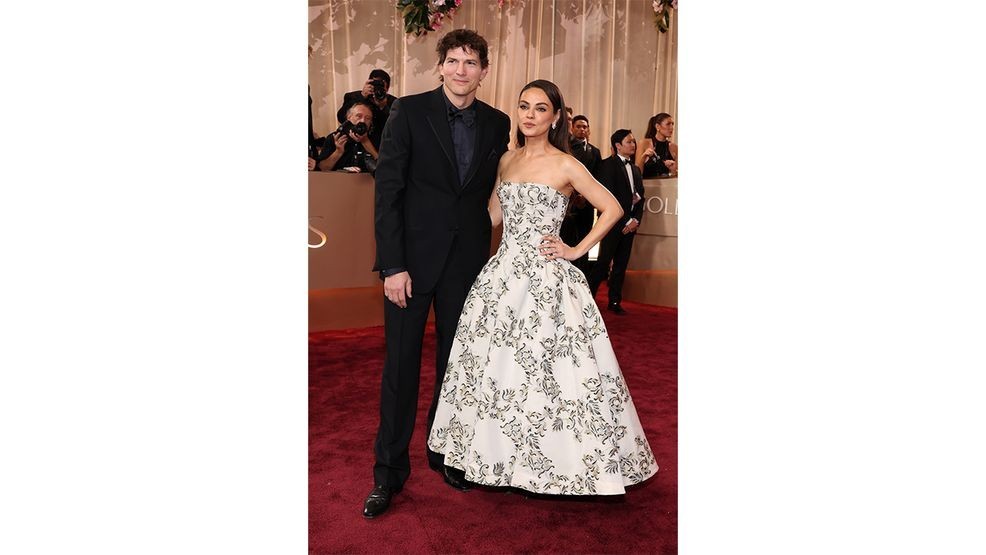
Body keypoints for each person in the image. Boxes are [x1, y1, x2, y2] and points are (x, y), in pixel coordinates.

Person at [427, 79, 658, 496]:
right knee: (497, 369)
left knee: (547, 370)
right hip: (501, 278)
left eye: (539, 109)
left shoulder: (566, 164)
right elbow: (493, 217)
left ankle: (551, 463)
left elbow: (612, 208)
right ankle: (496, 456)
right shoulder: (506, 160)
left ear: (554, 118)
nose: (529, 115)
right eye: (524, 106)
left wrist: (576, 250)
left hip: (546, 280)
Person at [364, 29, 511, 519]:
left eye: (471, 62)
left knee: (456, 368)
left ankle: (446, 453)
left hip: (466, 266)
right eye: (453, 60)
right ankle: (388, 474)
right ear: (440, 65)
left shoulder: (498, 123)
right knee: (400, 369)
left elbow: (495, 191)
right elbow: (388, 191)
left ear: (484, 71)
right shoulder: (409, 111)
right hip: (409, 265)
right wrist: (393, 265)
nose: (461, 70)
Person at [586, 129, 645, 315]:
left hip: (630, 225)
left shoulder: (635, 169)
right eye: (629, 142)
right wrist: (625, 220)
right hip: (612, 224)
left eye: (634, 141)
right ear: (618, 145)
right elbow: (606, 197)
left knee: (621, 264)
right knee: (602, 263)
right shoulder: (606, 166)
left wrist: (635, 220)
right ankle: (588, 300)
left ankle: (614, 301)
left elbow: (641, 197)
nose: (633, 145)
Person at [560, 114, 602, 276]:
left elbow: (597, 178)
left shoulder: (595, 152)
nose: (582, 129)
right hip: (567, 203)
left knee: (585, 238)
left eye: (585, 127)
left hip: (587, 203)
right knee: (566, 238)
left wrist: (586, 197)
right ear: (572, 128)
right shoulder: (565, 148)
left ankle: (581, 276)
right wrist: (574, 196)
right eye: (578, 126)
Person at [337, 69, 397, 151]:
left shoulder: (393, 102)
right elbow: (341, 118)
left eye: (381, 87)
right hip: (354, 143)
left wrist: (383, 107)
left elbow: (392, 128)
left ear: (387, 88)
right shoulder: (353, 96)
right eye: (375, 86)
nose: (377, 90)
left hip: (379, 145)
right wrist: (362, 97)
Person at [314, 100, 379, 173]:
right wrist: (338, 152)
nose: (363, 121)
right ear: (349, 117)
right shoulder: (335, 137)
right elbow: (322, 169)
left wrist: (366, 142)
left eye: (368, 118)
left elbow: (384, 167)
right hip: (338, 179)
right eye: (359, 116)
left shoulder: (375, 138)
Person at [636, 113, 678, 178]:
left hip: (667, 184)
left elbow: (675, 177)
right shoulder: (644, 143)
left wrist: (673, 170)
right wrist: (644, 157)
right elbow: (636, 174)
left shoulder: (674, 147)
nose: (671, 127)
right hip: (646, 184)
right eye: (668, 124)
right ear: (658, 126)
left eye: (672, 124)